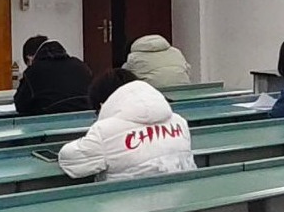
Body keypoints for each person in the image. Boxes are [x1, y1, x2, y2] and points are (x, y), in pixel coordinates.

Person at [57, 69, 195, 181]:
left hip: (128, 203)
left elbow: (71, 160)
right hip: (182, 197)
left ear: (102, 104)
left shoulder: (105, 131)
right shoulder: (179, 122)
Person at [13, 38, 93, 116]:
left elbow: (20, 105)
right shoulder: (80, 65)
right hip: (87, 117)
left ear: (30, 58)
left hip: (50, 120)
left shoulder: (33, 71)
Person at [123, 34, 193, 88]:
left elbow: (124, 77)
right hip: (182, 91)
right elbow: (188, 71)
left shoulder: (133, 57)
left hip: (152, 95)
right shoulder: (176, 52)